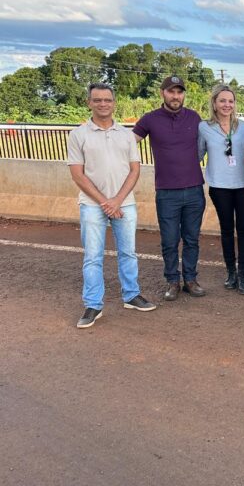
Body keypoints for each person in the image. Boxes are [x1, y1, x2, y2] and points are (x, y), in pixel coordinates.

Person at [68, 83, 156, 328]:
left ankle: (131, 294)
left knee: (128, 252)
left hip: (124, 204)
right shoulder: (78, 135)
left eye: (107, 100)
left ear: (114, 102)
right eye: (97, 100)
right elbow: (77, 174)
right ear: (89, 103)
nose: (103, 104)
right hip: (92, 205)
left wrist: (117, 200)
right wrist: (105, 202)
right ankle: (93, 304)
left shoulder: (126, 135)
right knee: (92, 256)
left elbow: (135, 169)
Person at [134, 76, 206, 301]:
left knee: (192, 238)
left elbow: (212, 139)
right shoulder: (150, 119)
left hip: (194, 189)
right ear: (162, 93)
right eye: (171, 92)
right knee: (170, 240)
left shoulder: (194, 118)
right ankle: (173, 281)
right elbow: (127, 142)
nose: (176, 96)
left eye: (180, 92)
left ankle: (190, 280)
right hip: (166, 192)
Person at [198, 85, 244, 295]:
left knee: (243, 229)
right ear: (214, 103)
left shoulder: (243, 128)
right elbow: (197, 154)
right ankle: (230, 272)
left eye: (230, 101)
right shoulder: (204, 127)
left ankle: (243, 275)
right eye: (222, 101)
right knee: (226, 230)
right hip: (219, 186)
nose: (226, 105)